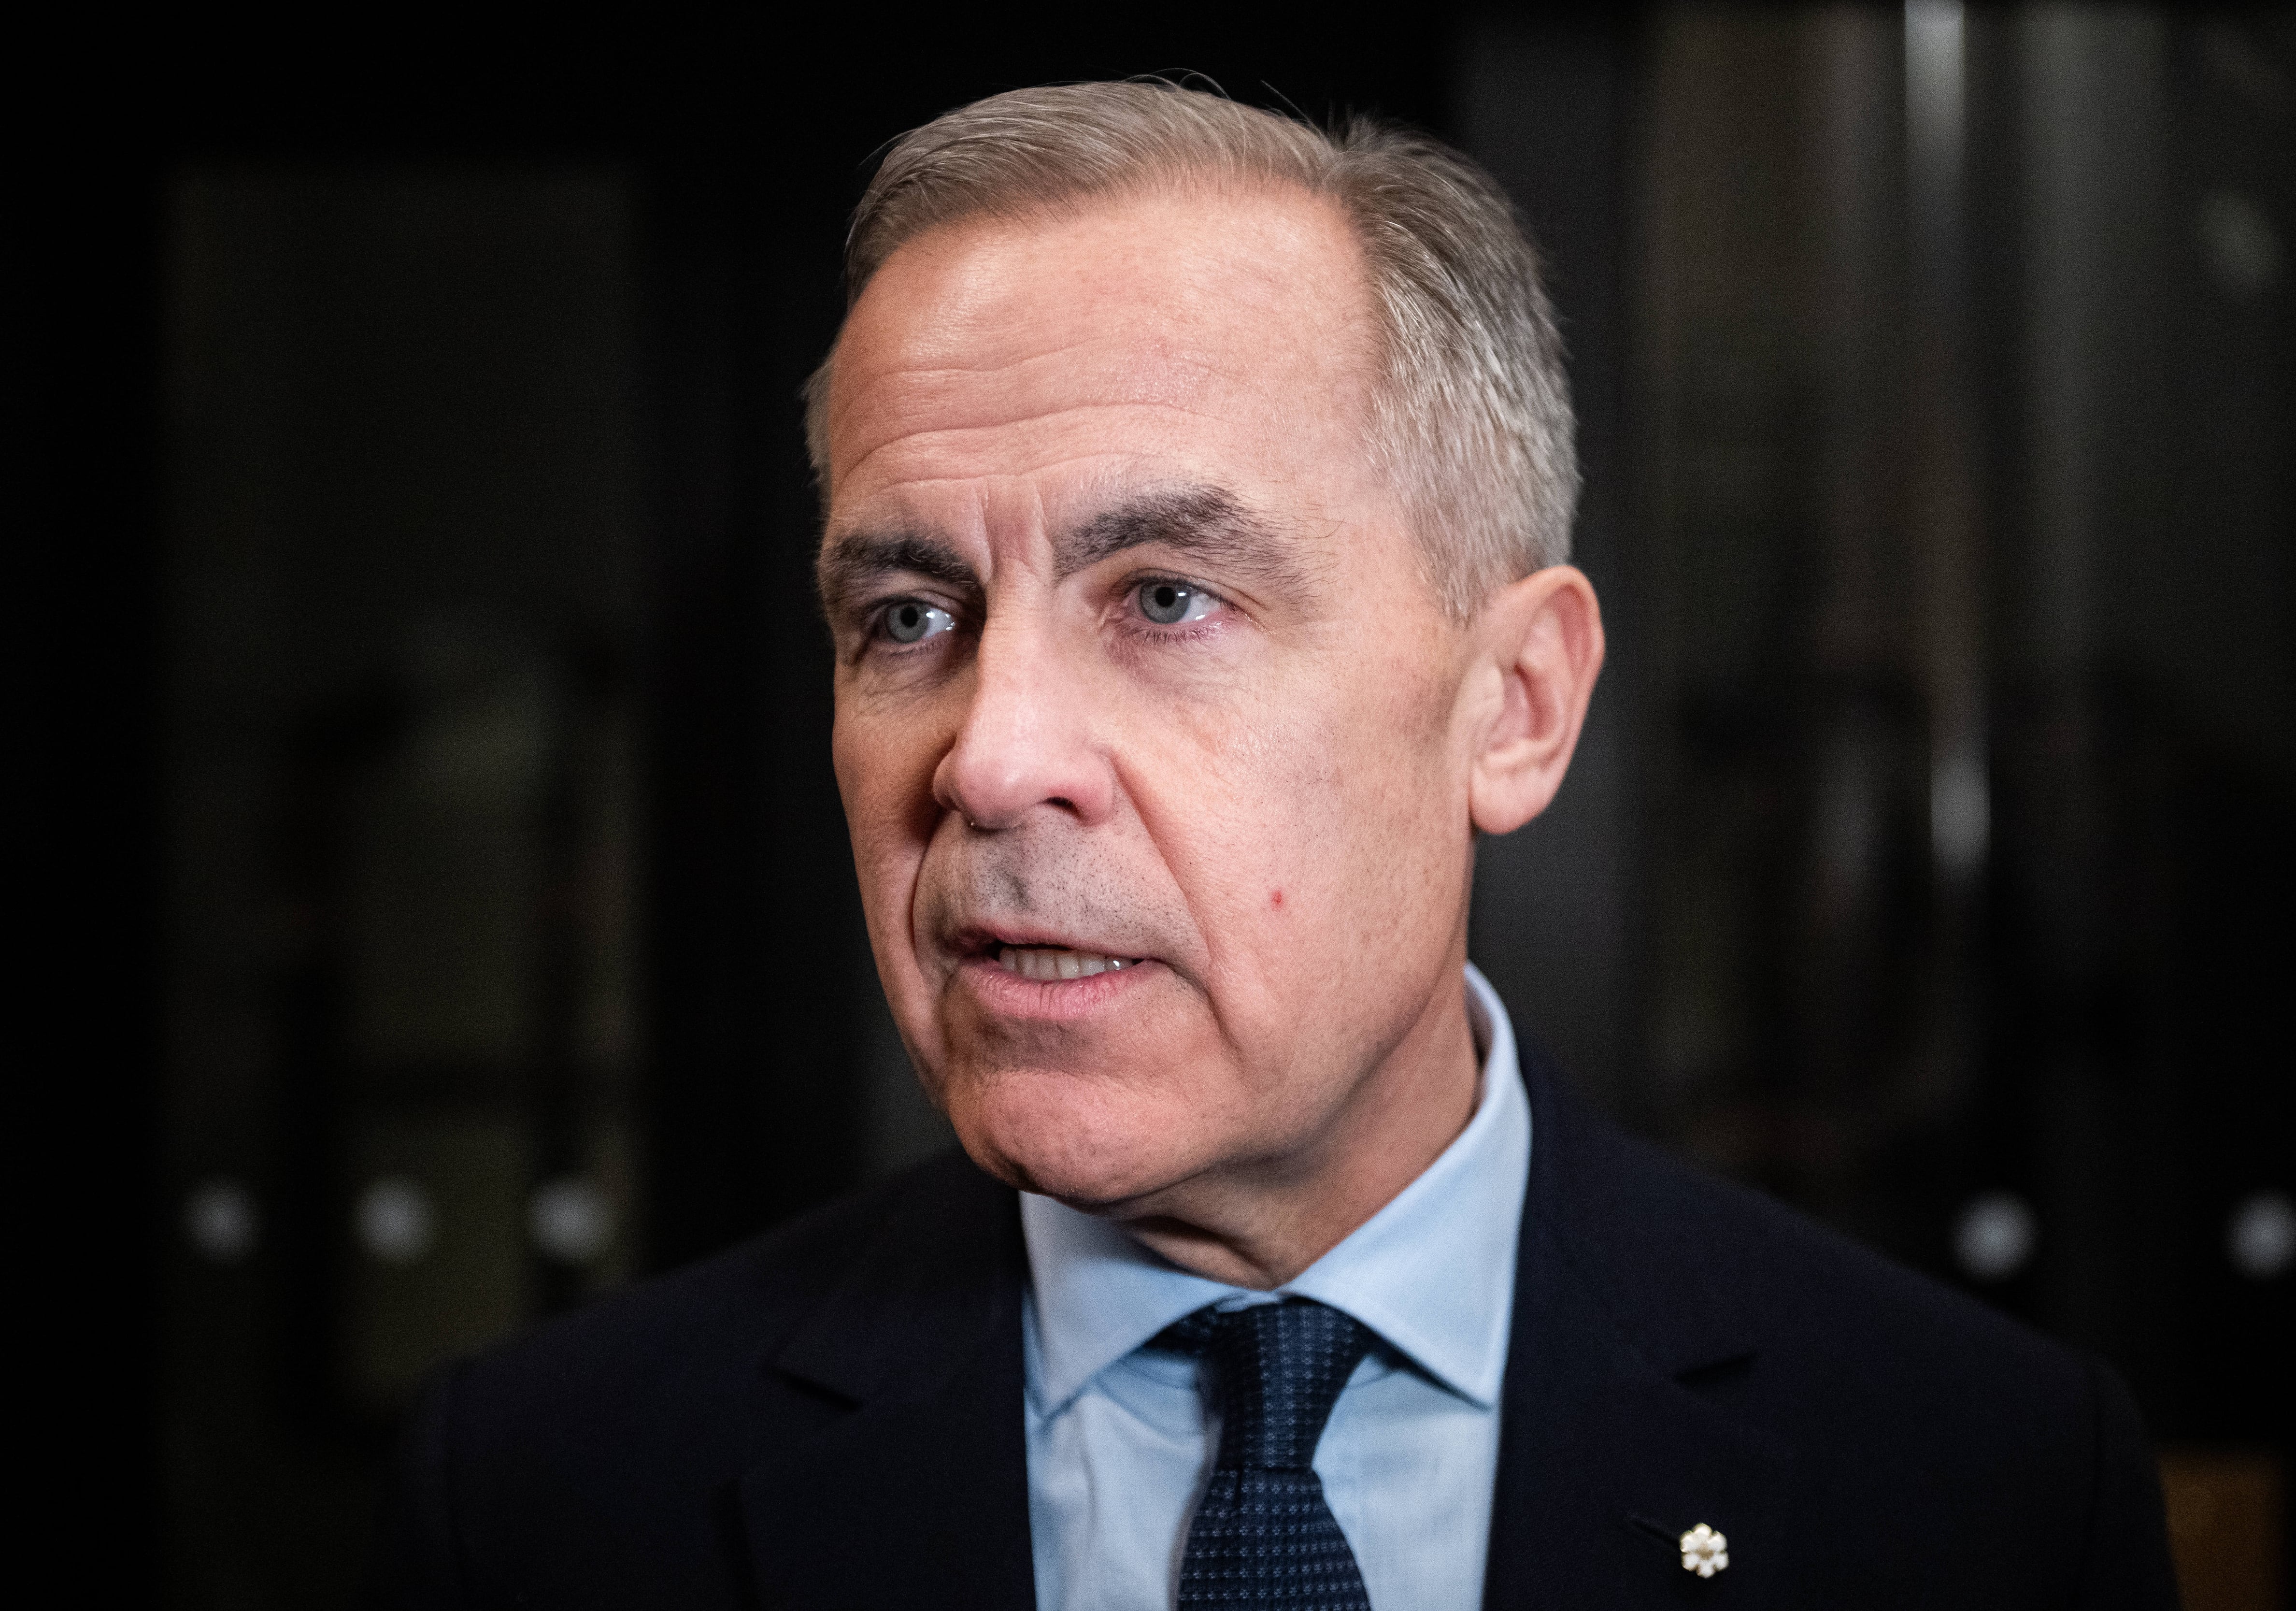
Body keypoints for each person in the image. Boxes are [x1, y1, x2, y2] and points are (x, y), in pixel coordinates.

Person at [380, 82, 2179, 1610]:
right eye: (912, 616)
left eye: (1164, 597)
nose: (992, 763)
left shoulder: (1978, 1486)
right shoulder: (550, 1499)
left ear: (1516, 704)